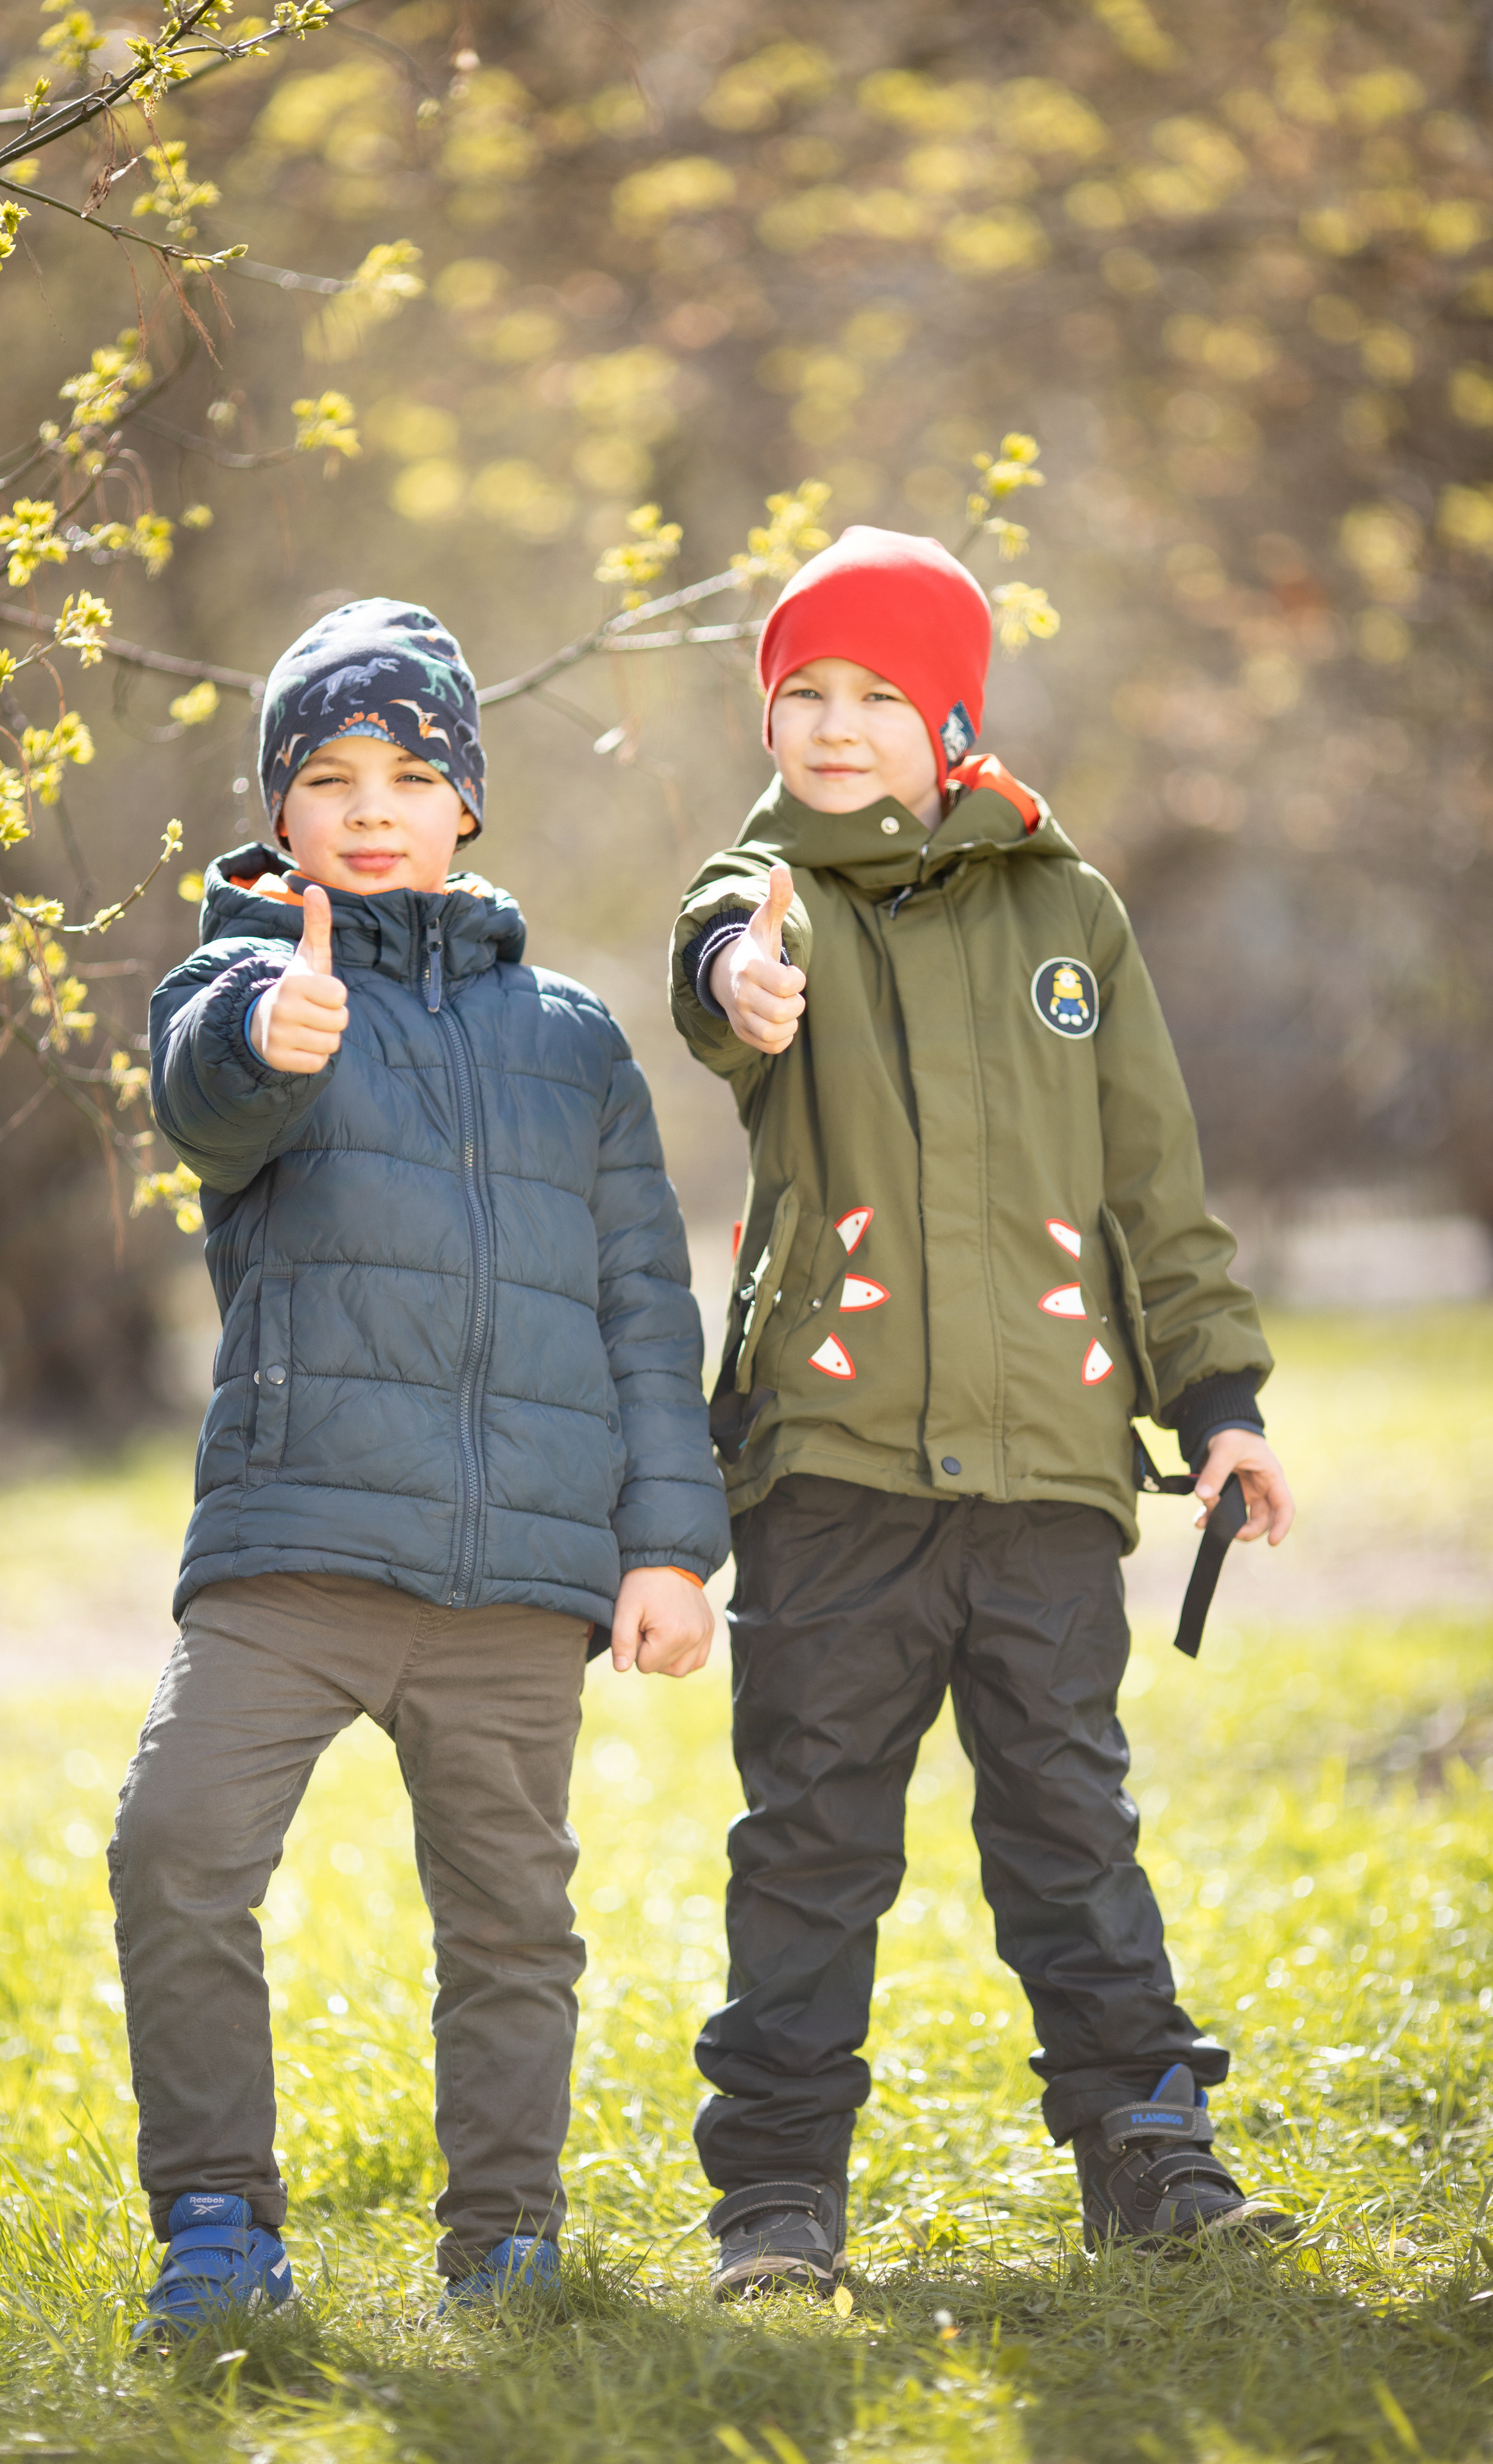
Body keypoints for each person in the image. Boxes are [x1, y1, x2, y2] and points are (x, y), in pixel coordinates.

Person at [668, 526, 1298, 2296]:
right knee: (810, 1835)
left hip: (1049, 1466)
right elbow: (715, 971)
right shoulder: (762, 888)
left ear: (953, 720)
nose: (839, 726)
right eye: (805, 695)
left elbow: (1154, 1186)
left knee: (1070, 1821)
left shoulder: (1070, 912)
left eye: (880, 695)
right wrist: (739, 982)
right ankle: (776, 2199)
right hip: (835, 1467)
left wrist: (1222, 1400)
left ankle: (1149, 2152)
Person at [111, 598, 727, 2338]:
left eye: (408, 771)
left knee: (515, 1920)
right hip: (295, 1554)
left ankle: (505, 2240)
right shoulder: (244, 984)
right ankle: (223, 2224)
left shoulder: (575, 1041)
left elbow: (637, 1310)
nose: (369, 804)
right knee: (175, 1844)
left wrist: (670, 1545)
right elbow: (208, 1091)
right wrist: (267, 1038)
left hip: (519, 1584)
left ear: (468, 801)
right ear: (279, 814)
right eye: (327, 775)